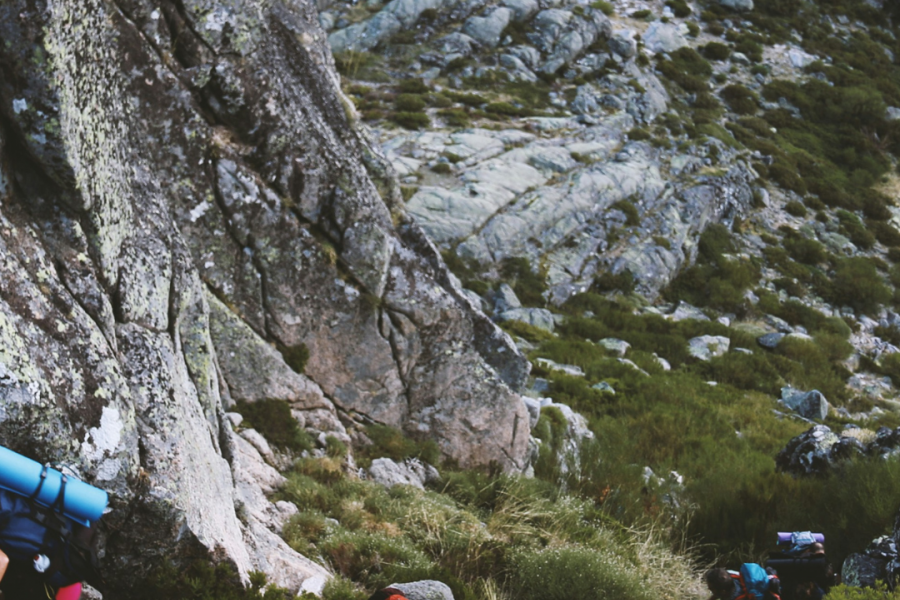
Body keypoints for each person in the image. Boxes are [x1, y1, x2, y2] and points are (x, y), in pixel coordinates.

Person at [706, 566, 781, 600]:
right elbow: (717, 594)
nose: (708, 588)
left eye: (711, 588)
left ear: (723, 591)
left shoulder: (738, 598)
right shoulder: (730, 575)